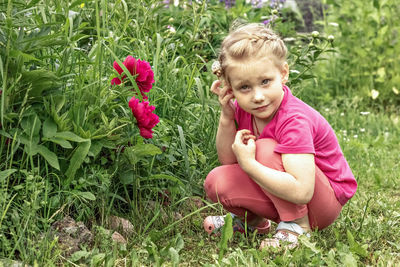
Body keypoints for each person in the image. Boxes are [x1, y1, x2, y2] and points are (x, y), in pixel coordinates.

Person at [203, 23, 357, 249]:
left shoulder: (294, 119)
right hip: (288, 191)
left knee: (264, 149)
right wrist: (227, 117)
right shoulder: (246, 110)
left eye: (265, 82)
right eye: (244, 87)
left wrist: (250, 165)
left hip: (322, 201)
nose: (257, 96)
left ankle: (297, 227)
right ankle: (253, 222)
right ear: (230, 89)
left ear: (283, 74)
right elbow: (229, 161)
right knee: (217, 180)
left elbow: (303, 191)